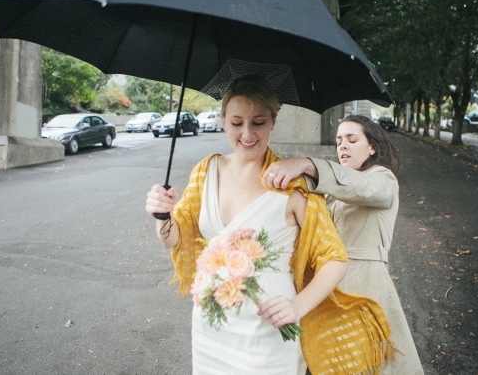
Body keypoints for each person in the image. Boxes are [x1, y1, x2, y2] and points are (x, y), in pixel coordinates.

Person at [146, 76, 394, 375]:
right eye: (237, 123)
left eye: (258, 122)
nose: (247, 133)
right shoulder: (206, 170)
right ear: (223, 120)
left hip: (268, 330)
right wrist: (163, 215)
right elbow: (174, 238)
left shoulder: (293, 185)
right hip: (212, 325)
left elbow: (334, 260)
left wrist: (298, 307)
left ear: (273, 122)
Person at [264, 114, 424, 375]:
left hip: (363, 291)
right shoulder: (332, 190)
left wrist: (307, 164)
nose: (343, 146)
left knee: (361, 365)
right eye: (339, 141)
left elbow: (360, 187)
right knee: (322, 361)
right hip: (325, 289)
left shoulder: (382, 179)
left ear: (372, 147)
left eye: (352, 139)